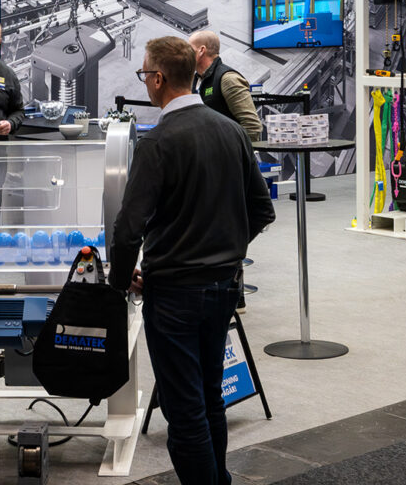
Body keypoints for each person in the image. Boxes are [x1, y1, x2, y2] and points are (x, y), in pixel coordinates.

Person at [111, 36, 275, 485]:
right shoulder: (232, 132)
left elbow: (128, 229)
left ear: (159, 79)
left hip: (173, 295)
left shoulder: (157, 142)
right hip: (223, 289)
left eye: (145, 75)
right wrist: (225, 252)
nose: (145, 82)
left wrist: (120, 282)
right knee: (209, 401)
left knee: (185, 415)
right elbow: (262, 210)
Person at [190, 30, 261, 142]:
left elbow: (252, 127)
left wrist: (228, 152)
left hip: (225, 156)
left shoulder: (228, 79)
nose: (185, 53)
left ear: (201, 50)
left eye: (189, 49)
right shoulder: (196, 80)